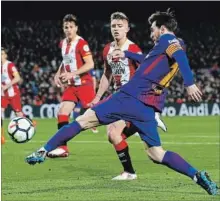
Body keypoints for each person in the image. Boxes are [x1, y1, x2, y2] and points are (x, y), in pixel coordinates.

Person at [25, 9, 218, 195]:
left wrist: (190, 84)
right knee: (156, 154)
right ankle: (197, 175)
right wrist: (127, 55)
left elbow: (181, 57)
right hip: (147, 106)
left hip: (129, 96)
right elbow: (148, 59)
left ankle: (43, 150)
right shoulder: (173, 44)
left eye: (152, 29)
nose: (151, 33)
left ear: (162, 28)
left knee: (83, 121)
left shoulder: (168, 39)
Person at [88, 12, 167, 180]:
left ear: (127, 29)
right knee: (113, 135)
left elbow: (149, 71)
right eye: (113, 26)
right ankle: (129, 171)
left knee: (115, 133)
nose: (116, 29)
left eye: (120, 26)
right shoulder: (107, 50)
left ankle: (129, 172)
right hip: (119, 97)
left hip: (133, 98)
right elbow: (106, 75)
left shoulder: (132, 49)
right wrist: (97, 97)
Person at [47, 14, 96, 158]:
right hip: (71, 86)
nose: (68, 30)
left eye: (71, 27)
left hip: (84, 85)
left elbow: (90, 64)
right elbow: (65, 61)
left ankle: (128, 123)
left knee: (97, 115)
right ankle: (63, 148)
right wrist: (58, 73)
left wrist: (72, 73)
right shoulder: (63, 43)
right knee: (62, 112)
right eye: (66, 27)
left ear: (76, 28)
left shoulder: (82, 43)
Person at [1, 47, 36, 143]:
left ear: (5, 55)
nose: (0, 56)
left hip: (13, 93)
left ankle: (30, 122)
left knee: (19, 114)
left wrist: (6, 86)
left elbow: (17, 78)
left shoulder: (9, 65)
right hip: (3, 95)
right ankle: (1, 137)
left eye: (2, 54)